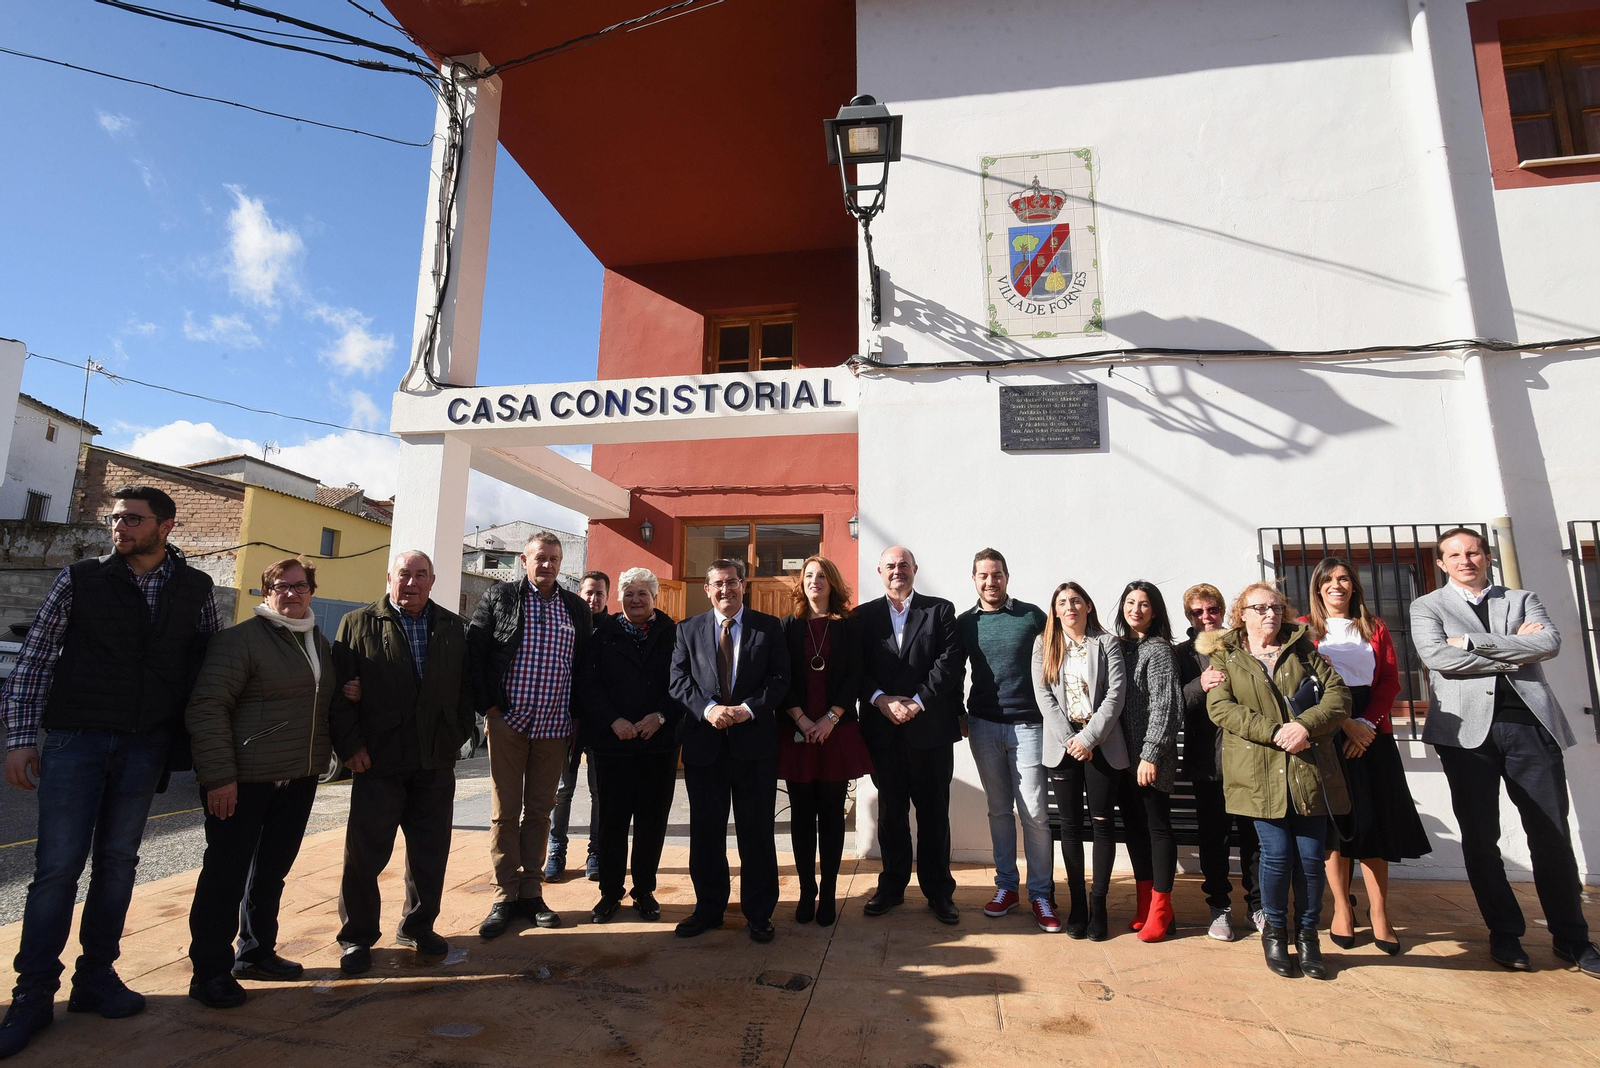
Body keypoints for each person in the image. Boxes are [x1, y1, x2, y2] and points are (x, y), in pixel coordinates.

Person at [0, 486, 220, 1057]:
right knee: (56, 869)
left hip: (145, 746)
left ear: (165, 526)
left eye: (133, 519)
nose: (120, 527)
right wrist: (22, 739)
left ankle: (95, 977)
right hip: (76, 740)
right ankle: (31, 995)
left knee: (119, 863)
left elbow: (206, 669)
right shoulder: (80, 579)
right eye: (115, 518)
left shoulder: (196, 590)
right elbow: (36, 659)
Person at [1412, 527, 1600, 977]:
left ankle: (1572, 938)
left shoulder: (1522, 599)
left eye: (1472, 552)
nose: (1465, 560)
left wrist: (1473, 643)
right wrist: (1516, 648)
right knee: (1481, 839)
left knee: (1551, 835)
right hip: (1465, 738)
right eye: (1454, 554)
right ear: (1441, 563)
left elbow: (1549, 643)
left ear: (1487, 556)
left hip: (1531, 729)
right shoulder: (1427, 606)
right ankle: (1505, 933)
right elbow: (1438, 658)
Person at [184, 558, 334, 1008]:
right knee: (225, 876)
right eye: (281, 586)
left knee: (271, 872)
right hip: (244, 780)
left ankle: (256, 952)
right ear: (265, 592)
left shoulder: (316, 641)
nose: (291, 594)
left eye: (300, 586)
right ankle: (209, 972)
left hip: (298, 777)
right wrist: (219, 777)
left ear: (311, 591)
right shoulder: (239, 641)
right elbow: (207, 708)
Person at [329, 551, 475, 975]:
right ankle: (356, 937)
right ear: (389, 577)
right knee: (364, 855)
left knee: (430, 852)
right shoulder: (358, 623)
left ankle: (418, 926)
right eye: (404, 575)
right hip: (377, 760)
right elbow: (340, 695)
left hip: (434, 761)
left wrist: (457, 732)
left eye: (421, 575)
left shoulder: (452, 626)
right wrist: (351, 746)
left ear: (433, 580)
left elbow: (466, 688)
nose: (411, 583)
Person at [1207, 582, 1350, 980]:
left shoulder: (1305, 650)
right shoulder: (1226, 655)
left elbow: (1338, 698)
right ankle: (1274, 932)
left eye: (1276, 607)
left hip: (1307, 769)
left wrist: (1304, 725)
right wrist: (1275, 732)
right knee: (1276, 855)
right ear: (1243, 614)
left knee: (1309, 858)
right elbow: (1221, 709)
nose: (1270, 614)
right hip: (1257, 774)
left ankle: (1308, 936)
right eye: (1260, 608)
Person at [466, 531, 594, 939]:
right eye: (540, 557)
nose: (548, 564)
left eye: (555, 558)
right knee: (505, 812)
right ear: (525, 560)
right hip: (509, 723)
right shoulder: (500, 598)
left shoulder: (575, 608)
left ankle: (531, 892)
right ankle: (504, 895)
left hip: (554, 726)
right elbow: (476, 654)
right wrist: (490, 710)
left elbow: (584, 667)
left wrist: (577, 718)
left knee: (541, 812)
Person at [1304, 557, 1430, 955]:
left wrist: (1368, 725)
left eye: (1344, 579)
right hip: (1329, 731)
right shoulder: (1305, 630)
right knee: (1338, 828)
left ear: (1354, 586)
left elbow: (1391, 680)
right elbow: (1307, 685)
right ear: (1319, 587)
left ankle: (1380, 913)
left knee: (1375, 824)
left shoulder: (1374, 627)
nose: (1337, 585)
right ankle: (1342, 908)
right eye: (1329, 580)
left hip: (1373, 733)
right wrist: (1345, 724)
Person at [668, 559, 790, 942]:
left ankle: (759, 913)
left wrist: (747, 709)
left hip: (754, 748)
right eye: (718, 584)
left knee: (756, 833)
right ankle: (708, 909)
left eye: (733, 583)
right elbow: (678, 680)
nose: (726, 590)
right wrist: (709, 710)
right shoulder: (687, 630)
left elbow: (780, 678)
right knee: (706, 833)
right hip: (706, 748)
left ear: (743, 586)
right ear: (707, 589)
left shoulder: (769, 628)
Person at [856, 546, 964, 924]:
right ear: (880, 572)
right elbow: (855, 669)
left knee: (935, 816)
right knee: (891, 815)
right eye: (890, 566)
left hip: (930, 732)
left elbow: (949, 665)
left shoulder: (940, 610)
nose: (897, 571)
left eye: (904, 565)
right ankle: (891, 888)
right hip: (883, 733)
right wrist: (881, 699)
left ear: (915, 569)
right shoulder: (863, 617)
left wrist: (917, 703)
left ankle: (939, 893)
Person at [958, 549, 1054, 932]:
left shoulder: (1031, 616)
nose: (990, 581)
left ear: (1007, 577)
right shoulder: (966, 623)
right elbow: (952, 670)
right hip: (983, 726)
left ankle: (1042, 894)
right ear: (974, 579)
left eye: (996, 574)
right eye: (983, 575)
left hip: (1029, 726)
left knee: (1034, 813)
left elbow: (1058, 657)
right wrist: (957, 712)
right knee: (998, 810)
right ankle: (1007, 887)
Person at [581, 568, 680, 923]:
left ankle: (644, 891)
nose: (635, 599)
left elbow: (683, 683)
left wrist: (662, 716)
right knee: (612, 820)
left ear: (655, 597)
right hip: (613, 744)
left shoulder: (673, 633)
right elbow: (588, 684)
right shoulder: (601, 634)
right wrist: (613, 720)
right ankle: (609, 892)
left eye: (643, 593)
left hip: (659, 743)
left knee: (652, 821)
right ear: (619, 596)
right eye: (629, 593)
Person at [1031, 581, 1127, 940]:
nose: (1069, 607)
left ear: (1088, 605)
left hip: (1100, 743)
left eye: (1075, 601)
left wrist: (1087, 738)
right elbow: (1043, 694)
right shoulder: (1045, 644)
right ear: (1055, 611)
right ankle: (1077, 906)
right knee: (1069, 828)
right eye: (1062, 602)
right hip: (1063, 746)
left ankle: (1098, 904)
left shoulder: (1106, 643)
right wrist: (1070, 739)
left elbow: (1116, 694)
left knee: (1102, 823)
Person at [779, 557, 871, 928]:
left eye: (821, 576)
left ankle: (829, 892)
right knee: (801, 817)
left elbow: (855, 675)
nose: (814, 582)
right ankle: (806, 890)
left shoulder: (850, 626)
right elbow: (780, 677)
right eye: (808, 577)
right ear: (801, 584)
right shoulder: (787, 626)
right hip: (797, 731)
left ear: (832, 583)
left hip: (836, 731)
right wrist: (802, 718)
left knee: (832, 817)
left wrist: (830, 718)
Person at [1176, 583, 1262, 941]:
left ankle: (1259, 906)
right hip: (1207, 762)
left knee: (1254, 837)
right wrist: (1200, 683)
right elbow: (1174, 704)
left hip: (1248, 758)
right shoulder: (1181, 654)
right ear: (1189, 617)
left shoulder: (1242, 645)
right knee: (1214, 838)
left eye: (1211, 610)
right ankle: (1219, 908)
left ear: (1222, 611)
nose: (1206, 617)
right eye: (1198, 612)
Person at [1114, 580, 1183, 943]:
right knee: (1135, 830)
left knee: (1156, 828)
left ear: (1154, 611)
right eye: (1130, 602)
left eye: (1143, 604)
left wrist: (1150, 753)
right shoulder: (1120, 647)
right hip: (1122, 757)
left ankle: (1162, 907)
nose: (1136, 609)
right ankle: (1144, 903)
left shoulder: (1158, 650)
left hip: (1150, 758)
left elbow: (1167, 706)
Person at [546, 570, 610, 883]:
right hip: (566, 721)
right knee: (562, 790)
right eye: (588, 592)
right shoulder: (566, 623)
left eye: (599, 593)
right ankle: (556, 851)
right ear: (579, 593)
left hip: (602, 725)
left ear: (607, 597)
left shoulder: (615, 629)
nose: (593, 599)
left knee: (600, 791)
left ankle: (596, 852)